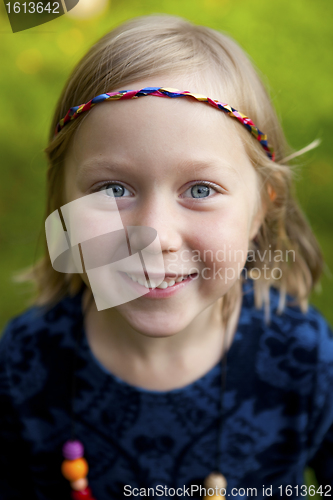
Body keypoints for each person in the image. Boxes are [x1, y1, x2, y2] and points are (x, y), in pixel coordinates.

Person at [0, 14, 332, 500]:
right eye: (114, 188)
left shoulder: (304, 359)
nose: (154, 236)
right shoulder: (26, 362)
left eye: (200, 189)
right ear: (63, 206)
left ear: (261, 207)